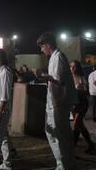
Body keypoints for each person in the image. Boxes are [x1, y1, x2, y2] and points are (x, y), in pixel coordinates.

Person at [36, 33, 77, 170]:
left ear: (48, 44)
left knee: (59, 134)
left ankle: (64, 165)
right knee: (54, 132)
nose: (42, 50)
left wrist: (43, 76)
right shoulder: (54, 57)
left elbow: (58, 80)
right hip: (55, 101)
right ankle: (64, 163)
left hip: (58, 102)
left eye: (42, 47)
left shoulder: (58, 57)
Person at [70, 60, 95, 153]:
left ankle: (72, 147)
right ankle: (91, 144)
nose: (72, 68)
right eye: (71, 66)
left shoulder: (82, 78)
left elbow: (86, 92)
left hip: (82, 103)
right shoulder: (68, 78)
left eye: (74, 67)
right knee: (80, 125)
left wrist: (80, 91)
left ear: (78, 68)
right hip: (73, 104)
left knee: (76, 124)